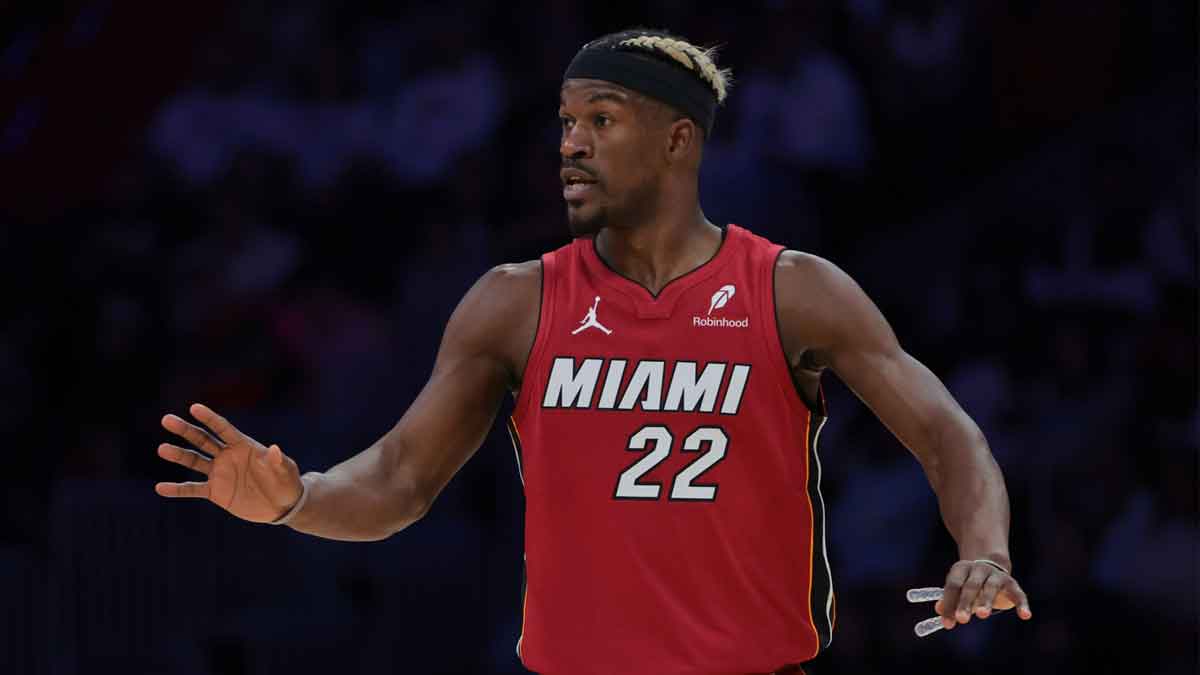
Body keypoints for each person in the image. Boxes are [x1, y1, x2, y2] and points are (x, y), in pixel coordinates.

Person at [155, 28, 1032, 675]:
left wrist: (983, 545)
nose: (570, 143)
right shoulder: (514, 299)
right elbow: (396, 479)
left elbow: (950, 435)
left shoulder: (791, 287)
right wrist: (296, 499)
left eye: (600, 120)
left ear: (678, 139)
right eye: (566, 121)